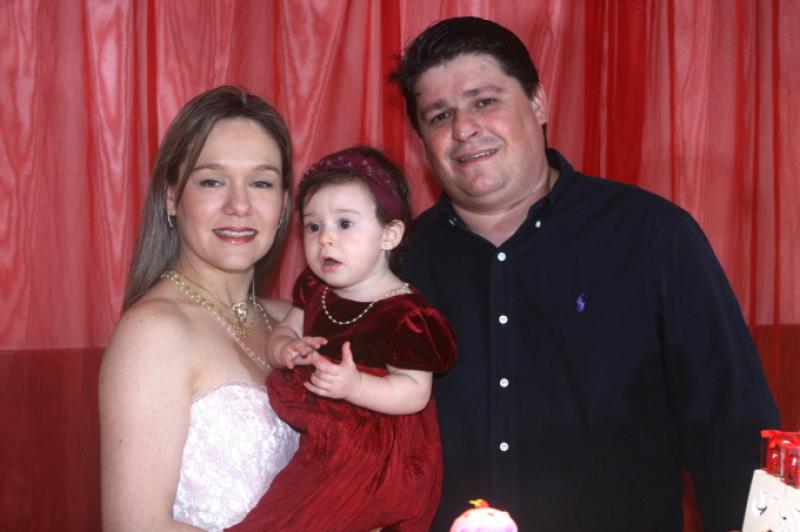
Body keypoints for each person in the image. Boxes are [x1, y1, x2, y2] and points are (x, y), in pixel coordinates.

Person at [389, 16, 780, 532]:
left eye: (484, 101)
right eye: (440, 115)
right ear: (421, 139)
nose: (464, 129)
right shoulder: (397, 265)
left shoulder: (651, 237)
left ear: (538, 102)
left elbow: (732, 433)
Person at [99, 86, 299, 531]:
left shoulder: (291, 319)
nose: (239, 206)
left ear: (284, 203)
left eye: (261, 183)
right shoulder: (153, 332)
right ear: (171, 197)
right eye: (212, 181)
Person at [231, 147, 458, 531]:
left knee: (325, 514)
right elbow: (285, 330)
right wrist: (286, 347)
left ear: (389, 235)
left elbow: (414, 393)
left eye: (345, 224)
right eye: (313, 226)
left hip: (379, 450)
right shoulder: (316, 289)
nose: (326, 240)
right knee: (286, 512)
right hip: (326, 439)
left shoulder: (407, 315)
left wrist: (356, 386)